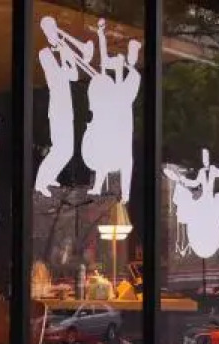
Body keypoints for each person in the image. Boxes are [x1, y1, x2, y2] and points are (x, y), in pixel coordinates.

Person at [83, 25, 141, 204]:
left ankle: (126, 194)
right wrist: (101, 36)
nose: (131, 57)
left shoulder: (135, 76)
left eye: (133, 54)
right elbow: (104, 60)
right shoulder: (120, 67)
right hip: (111, 119)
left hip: (123, 123)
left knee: (125, 160)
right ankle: (98, 185)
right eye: (130, 52)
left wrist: (119, 70)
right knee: (104, 151)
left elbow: (123, 96)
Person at [34, 16, 79, 198]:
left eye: (54, 28)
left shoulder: (63, 50)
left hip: (67, 108)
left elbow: (74, 76)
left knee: (67, 150)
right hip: (57, 108)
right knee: (59, 148)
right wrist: (64, 55)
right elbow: (57, 75)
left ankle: (49, 176)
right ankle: (40, 182)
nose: (53, 32)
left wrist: (68, 55)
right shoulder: (44, 53)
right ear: (45, 32)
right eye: (49, 29)